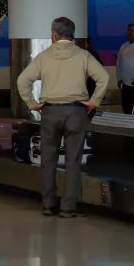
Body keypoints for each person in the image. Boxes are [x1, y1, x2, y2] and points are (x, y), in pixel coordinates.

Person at [17, 17, 109, 218]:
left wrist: (32, 103)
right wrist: (94, 101)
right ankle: (68, 208)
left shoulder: (44, 57)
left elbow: (22, 80)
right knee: (72, 161)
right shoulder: (83, 55)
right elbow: (103, 77)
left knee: (47, 160)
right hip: (76, 111)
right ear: (72, 34)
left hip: (50, 112)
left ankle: (48, 205)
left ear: (54, 35)